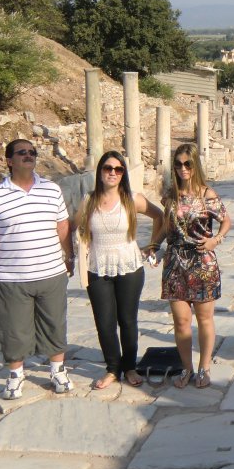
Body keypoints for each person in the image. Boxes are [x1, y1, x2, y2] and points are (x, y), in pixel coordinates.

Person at [0, 139, 74, 400]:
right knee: (13, 330)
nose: (29, 156)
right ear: (9, 161)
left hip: (51, 272)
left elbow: (62, 226)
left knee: (54, 324)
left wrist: (70, 255)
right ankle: (16, 376)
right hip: (11, 277)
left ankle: (58, 370)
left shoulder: (51, 190)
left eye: (32, 152)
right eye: (22, 153)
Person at [74, 151, 163, 390]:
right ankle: (113, 369)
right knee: (104, 322)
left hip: (129, 266)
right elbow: (75, 225)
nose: (112, 173)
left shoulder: (133, 199)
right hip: (98, 266)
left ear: (123, 173)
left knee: (127, 320)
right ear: (100, 172)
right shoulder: (88, 200)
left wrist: (153, 244)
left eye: (118, 169)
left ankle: (130, 367)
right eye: (107, 168)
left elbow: (160, 216)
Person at [155, 143, 232, 389]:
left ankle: (204, 367)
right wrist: (154, 245)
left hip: (202, 262)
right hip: (175, 262)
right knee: (180, 321)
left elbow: (226, 220)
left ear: (195, 165)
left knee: (204, 319)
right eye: (178, 164)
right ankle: (187, 368)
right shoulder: (170, 195)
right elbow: (168, 227)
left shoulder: (207, 194)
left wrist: (215, 240)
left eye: (187, 163)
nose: (182, 168)